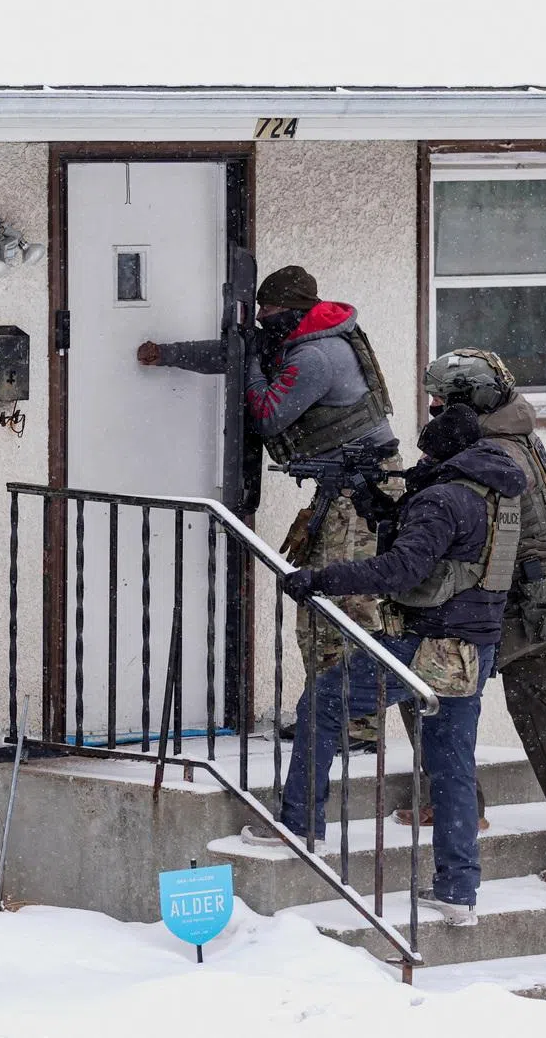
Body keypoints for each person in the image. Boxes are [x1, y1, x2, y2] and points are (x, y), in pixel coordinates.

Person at [243, 404, 527, 925]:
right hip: (473, 649)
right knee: (452, 766)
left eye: (426, 451)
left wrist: (321, 579)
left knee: (324, 702)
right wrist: (383, 505)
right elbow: (444, 554)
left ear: (441, 451)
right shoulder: (498, 492)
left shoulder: (444, 499)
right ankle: (458, 891)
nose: (418, 460)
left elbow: (401, 569)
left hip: (427, 643)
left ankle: (301, 824)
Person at [138, 264, 399, 747]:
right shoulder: (302, 338)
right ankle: (339, 719)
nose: (261, 316)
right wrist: (168, 355)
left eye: (269, 309)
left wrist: (250, 360)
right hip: (343, 491)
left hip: (358, 496)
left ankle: (351, 725)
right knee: (329, 607)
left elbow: (267, 411)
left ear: (293, 311)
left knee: (338, 608)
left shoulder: (318, 356)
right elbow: (231, 357)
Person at [398, 349, 546, 890]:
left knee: (424, 685)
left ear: (467, 403)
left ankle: (456, 805)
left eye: (440, 401)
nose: (432, 409)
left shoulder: (487, 452)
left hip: (513, 603)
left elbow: (478, 539)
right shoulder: (522, 438)